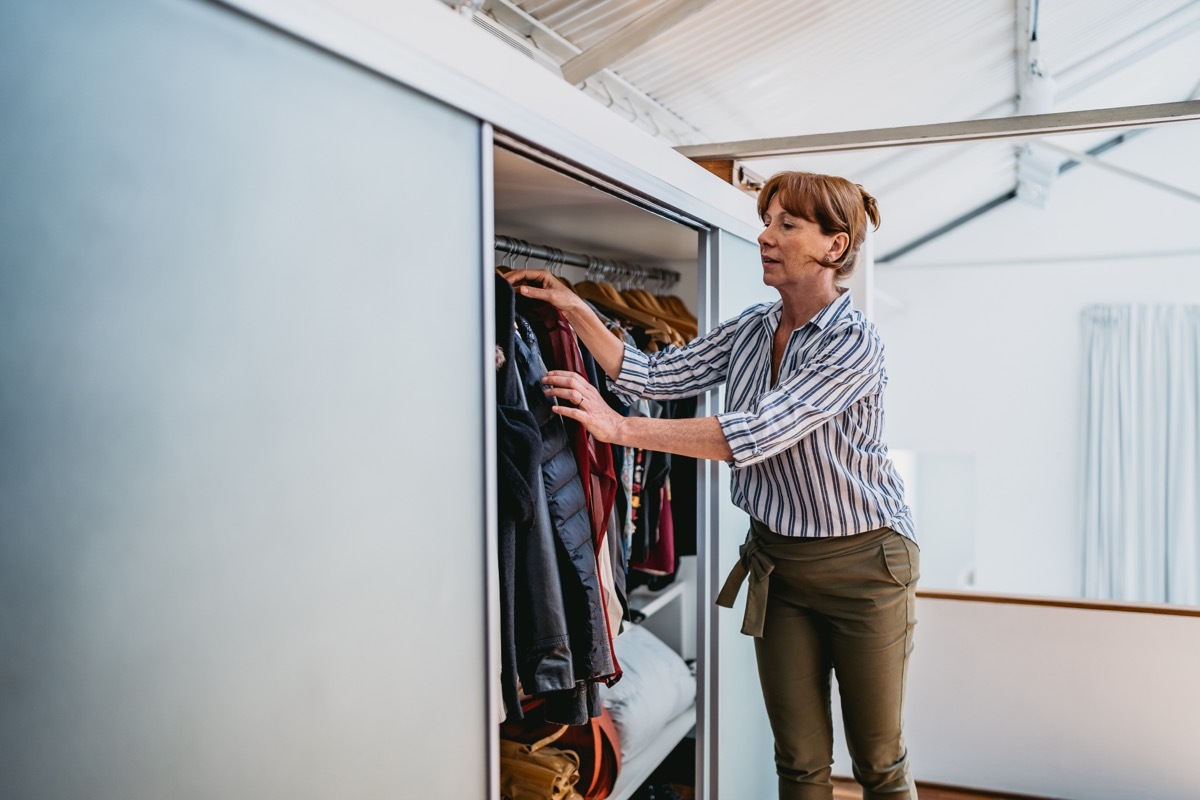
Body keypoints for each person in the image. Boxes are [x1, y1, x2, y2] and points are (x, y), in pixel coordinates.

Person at [505, 171, 919, 800]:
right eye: (768, 220)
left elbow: (756, 431)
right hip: (780, 564)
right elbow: (652, 370)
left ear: (835, 247)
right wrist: (573, 306)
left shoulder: (853, 342)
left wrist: (619, 429)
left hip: (866, 565)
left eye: (787, 224)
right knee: (800, 758)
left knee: (878, 761)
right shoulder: (754, 327)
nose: (765, 236)